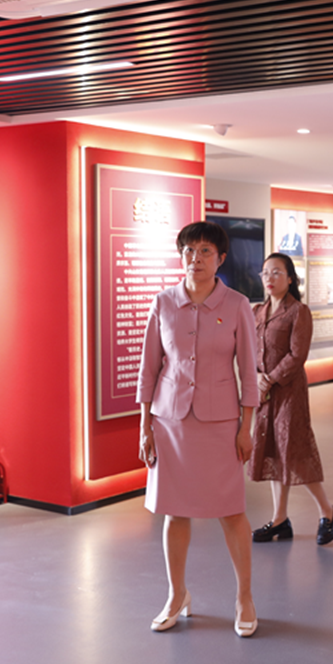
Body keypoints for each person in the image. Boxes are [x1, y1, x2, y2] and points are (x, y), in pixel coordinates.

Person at [136, 221, 260, 637]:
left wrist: (247, 427)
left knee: (232, 511)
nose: (196, 258)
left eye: (206, 251)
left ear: (221, 259)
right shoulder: (163, 302)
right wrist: (145, 426)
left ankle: (244, 597)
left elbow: (249, 373)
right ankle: (177, 594)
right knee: (175, 511)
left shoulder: (237, 304)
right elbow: (149, 368)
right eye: (189, 250)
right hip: (170, 422)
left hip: (221, 423)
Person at [249, 253, 333, 545]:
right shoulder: (257, 311)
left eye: (277, 272)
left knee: (294, 452)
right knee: (274, 451)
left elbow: (297, 354)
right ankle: (280, 519)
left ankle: (328, 512)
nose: (269, 278)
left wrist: (269, 378)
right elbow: (251, 350)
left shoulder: (298, 311)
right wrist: (257, 377)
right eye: (265, 272)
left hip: (288, 392)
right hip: (265, 394)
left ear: (290, 278)